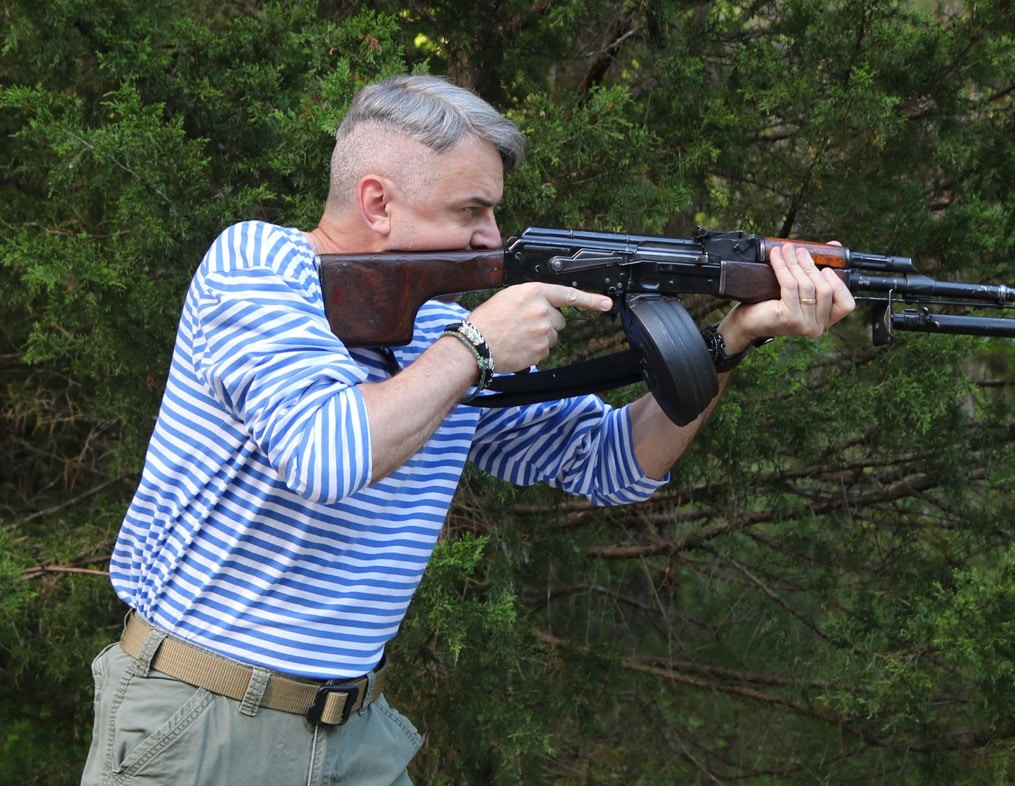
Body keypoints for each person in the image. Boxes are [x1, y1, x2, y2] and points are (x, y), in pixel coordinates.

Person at [81, 73, 855, 785]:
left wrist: (732, 339)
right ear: (378, 202)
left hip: (353, 734)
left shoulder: (436, 332)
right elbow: (324, 454)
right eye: (471, 210)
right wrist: (476, 347)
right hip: (201, 722)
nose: (492, 237)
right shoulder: (256, 265)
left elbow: (616, 463)